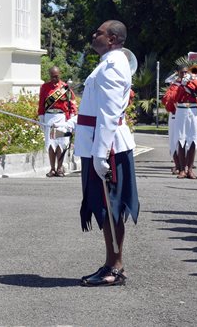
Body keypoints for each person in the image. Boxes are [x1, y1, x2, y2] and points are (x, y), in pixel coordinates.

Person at [59, 20, 138, 287]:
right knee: (106, 208)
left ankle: (115, 267)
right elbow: (95, 109)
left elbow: (110, 114)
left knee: (110, 207)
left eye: (100, 32)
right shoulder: (107, 63)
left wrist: (101, 155)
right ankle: (111, 264)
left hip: (108, 147)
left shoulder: (113, 65)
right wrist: (71, 124)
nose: (94, 35)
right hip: (100, 144)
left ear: (112, 39)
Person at [38, 66, 77, 177]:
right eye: (52, 76)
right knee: (51, 143)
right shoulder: (45, 87)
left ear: (60, 74)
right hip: (49, 117)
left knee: (61, 142)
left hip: (61, 117)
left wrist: (72, 116)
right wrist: (41, 117)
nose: (54, 78)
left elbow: (72, 103)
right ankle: (52, 169)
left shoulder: (64, 87)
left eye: (56, 76)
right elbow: (41, 103)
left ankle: (60, 168)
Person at [172, 65, 197, 179]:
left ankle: (190, 169)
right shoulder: (176, 85)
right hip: (181, 110)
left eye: (185, 72)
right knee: (181, 139)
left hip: (193, 110)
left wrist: (193, 80)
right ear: (178, 73)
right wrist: (182, 86)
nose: (184, 74)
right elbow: (175, 99)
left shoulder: (193, 82)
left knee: (193, 139)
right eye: (182, 72)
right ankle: (182, 169)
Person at [161, 78, 181, 175]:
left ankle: (185, 166)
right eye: (182, 73)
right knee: (173, 142)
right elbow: (165, 100)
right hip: (174, 115)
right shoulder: (174, 86)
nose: (184, 75)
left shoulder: (191, 85)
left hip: (188, 115)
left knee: (186, 142)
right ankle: (178, 165)